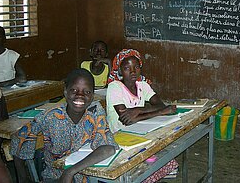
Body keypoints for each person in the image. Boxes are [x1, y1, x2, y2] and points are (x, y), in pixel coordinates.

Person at [11, 68, 118, 183]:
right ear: (66, 92)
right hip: (55, 177)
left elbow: (108, 148)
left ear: (92, 96)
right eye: (74, 90)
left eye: (86, 92)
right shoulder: (50, 116)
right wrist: (23, 178)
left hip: (85, 175)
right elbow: (18, 139)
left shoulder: (95, 111)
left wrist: (70, 171)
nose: (80, 95)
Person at [106, 48, 178, 183]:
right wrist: (159, 112)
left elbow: (160, 104)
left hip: (140, 133)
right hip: (119, 138)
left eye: (136, 67)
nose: (133, 72)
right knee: (143, 167)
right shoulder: (114, 87)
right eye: (127, 68)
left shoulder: (143, 85)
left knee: (166, 159)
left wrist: (137, 110)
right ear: (120, 71)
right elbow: (126, 120)